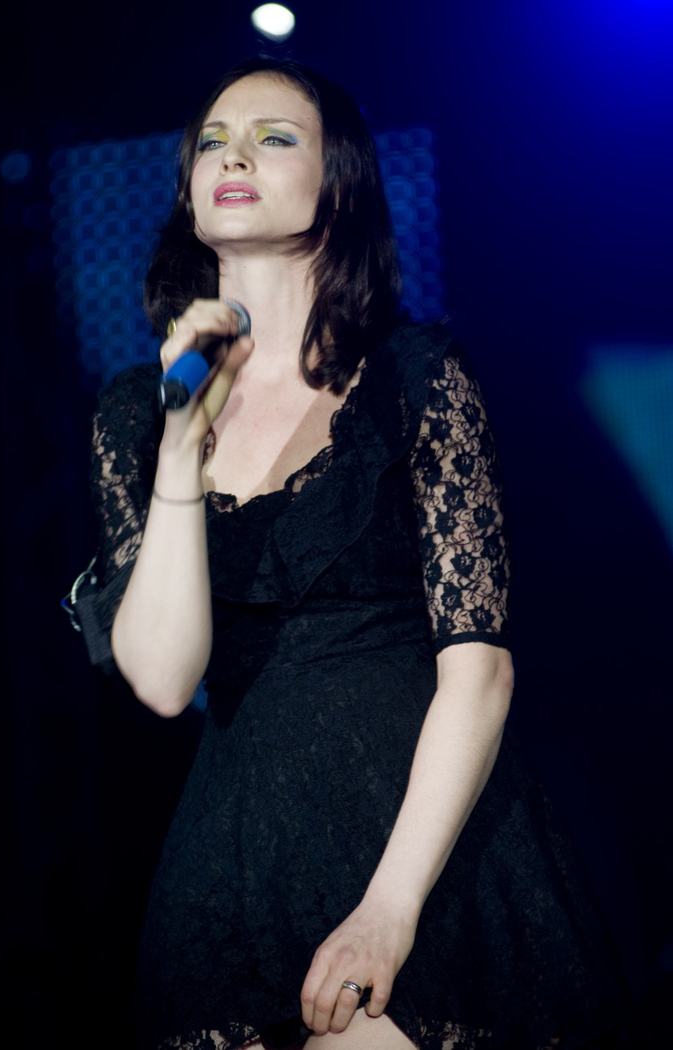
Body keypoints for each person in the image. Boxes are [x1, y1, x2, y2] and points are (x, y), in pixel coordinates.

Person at [88, 56, 623, 1050]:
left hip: (413, 835)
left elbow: (479, 671)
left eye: (272, 137)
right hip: (233, 854)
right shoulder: (136, 412)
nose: (232, 156)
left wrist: (388, 908)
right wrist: (179, 441)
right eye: (212, 143)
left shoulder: (416, 377)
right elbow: (162, 681)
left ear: (337, 183)